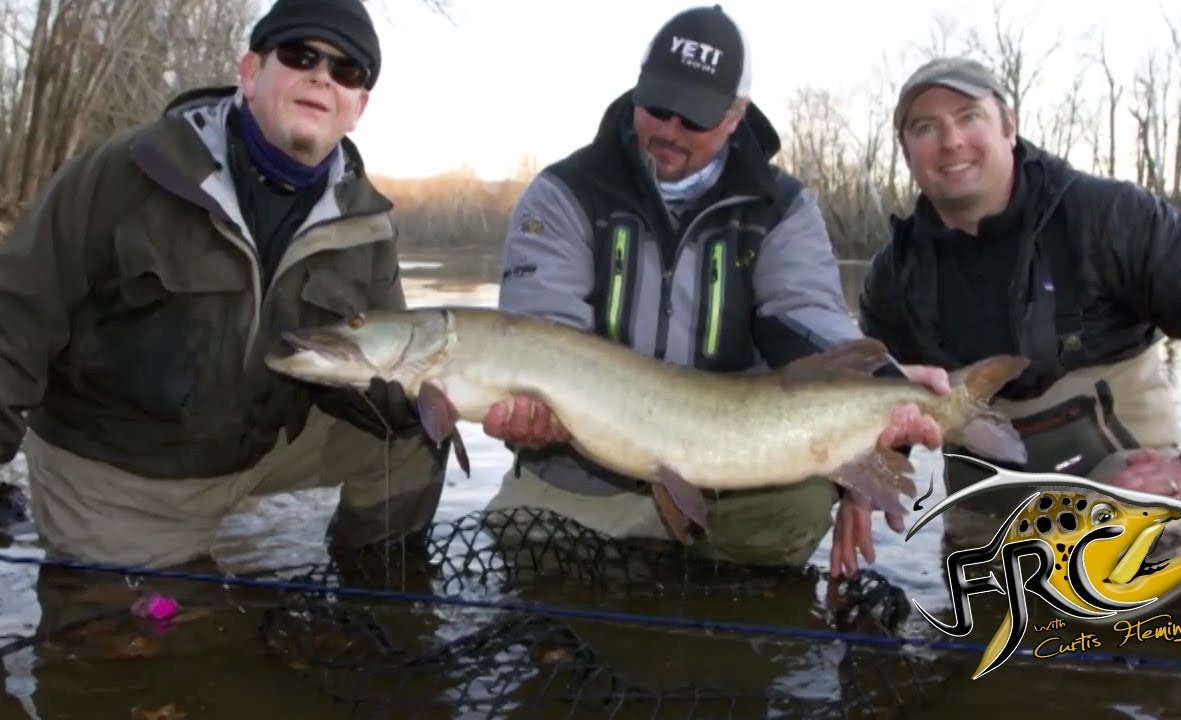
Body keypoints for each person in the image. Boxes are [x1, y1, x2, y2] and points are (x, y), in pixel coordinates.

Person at [481, 5, 950, 573]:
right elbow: (539, 338)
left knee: (798, 505)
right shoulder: (564, 194)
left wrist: (882, 383)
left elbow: (803, 315)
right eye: (657, 108)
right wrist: (529, 410)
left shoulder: (782, 207)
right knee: (525, 548)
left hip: (734, 472)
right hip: (584, 470)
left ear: (736, 116)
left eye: (695, 117)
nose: (669, 131)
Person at [0, 0, 446, 570]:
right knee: (141, 649)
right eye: (300, 54)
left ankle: (373, 594)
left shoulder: (367, 225)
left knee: (416, 437)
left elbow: (386, 376)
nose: (321, 77)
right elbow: (14, 321)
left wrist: (458, 395)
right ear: (250, 72)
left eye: (346, 71)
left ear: (357, 107)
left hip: (260, 451)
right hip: (123, 476)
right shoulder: (129, 168)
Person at [858, 56, 1181, 555]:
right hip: (986, 501)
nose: (951, 141)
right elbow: (881, 398)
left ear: (1008, 127)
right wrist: (863, 488)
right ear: (907, 152)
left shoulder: (1111, 216)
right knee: (986, 615)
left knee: (1117, 605)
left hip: (1122, 484)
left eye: (969, 117)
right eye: (926, 127)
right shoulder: (892, 275)